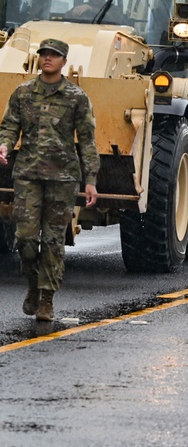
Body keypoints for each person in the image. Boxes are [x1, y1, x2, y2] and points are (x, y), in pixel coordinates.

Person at [0, 39, 99, 321]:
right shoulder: (22, 93)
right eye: (44, 54)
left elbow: (88, 141)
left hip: (63, 178)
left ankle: (46, 299)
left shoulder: (76, 97)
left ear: (63, 61)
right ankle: (32, 284)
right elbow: (9, 126)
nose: (47, 59)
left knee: (54, 241)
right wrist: (5, 144)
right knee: (27, 240)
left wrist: (90, 178)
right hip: (28, 176)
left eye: (54, 55)